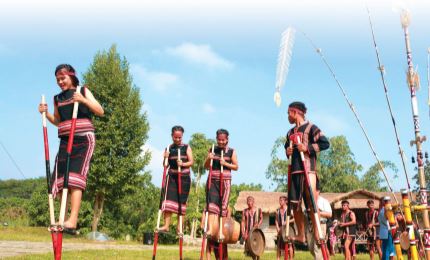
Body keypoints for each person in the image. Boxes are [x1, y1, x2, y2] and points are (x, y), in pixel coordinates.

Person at [38, 64, 104, 234]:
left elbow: (100, 111)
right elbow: (59, 121)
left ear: (72, 77)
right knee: (61, 180)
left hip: (83, 139)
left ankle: (73, 220)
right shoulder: (57, 99)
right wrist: (45, 114)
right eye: (58, 79)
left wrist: (83, 100)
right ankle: (62, 217)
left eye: (63, 78)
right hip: (65, 140)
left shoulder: (82, 91)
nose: (60, 82)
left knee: (75, 178)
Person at [284, 101, 330, 245]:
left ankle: (317, 232)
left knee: (311, 203)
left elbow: (325, 143)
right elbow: (287, 148)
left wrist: (307, 147)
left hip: (308, 170)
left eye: (288, 113)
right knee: (294, 205)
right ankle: (300, 235)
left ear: (295, 112)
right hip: (294, 172)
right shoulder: (290, 133)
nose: (287, 116)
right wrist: (288, 151)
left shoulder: (311, 128)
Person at [204, 129, 239, 260]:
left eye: (223, 140)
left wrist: (226, 163)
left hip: (225, 181)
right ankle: (211, 230)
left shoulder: (232, 151)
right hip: (212, 180)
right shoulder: (212, 149)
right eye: (219, 139)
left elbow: (236, 167)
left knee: (222, 209)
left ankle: (220, 231)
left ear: (227, 139)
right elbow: (206, 166)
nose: (221, 142)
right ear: (216, 138)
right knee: (211, 208)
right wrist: (209, 158)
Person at [158, 126, 194, 233]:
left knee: (181, 202)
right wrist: (165, 157)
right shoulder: (168, 148)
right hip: (172, 178)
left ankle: (180, 227)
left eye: (180, 137)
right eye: (175, 137)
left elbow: (191, 162)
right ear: (172, 136)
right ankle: (166, 225)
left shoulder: (186, 147)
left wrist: (182, 163)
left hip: (184, 178)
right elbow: (165, 165)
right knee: (168, 200)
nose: (177, 139)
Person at [306, 183, 332, 259]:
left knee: (317, 247)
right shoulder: (309, 201)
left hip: (321, 224)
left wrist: (318, 212)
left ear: (318, 191)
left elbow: (330, 214)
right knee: (311, 248)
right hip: (311, 225)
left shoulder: (324, 201)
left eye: (315, 190)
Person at [275, 195, 295, 260]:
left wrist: (288, 222)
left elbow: (295, 219)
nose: (280, 202)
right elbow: (276, 220)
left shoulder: (289, 209)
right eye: (279, 200)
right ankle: (278, 258)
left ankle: (291, 259)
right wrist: (277, 228)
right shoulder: (278, 210)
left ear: (285, 201)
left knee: (289, 244)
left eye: (281, 200)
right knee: (279, 245)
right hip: (281, 230)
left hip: (289, 230)